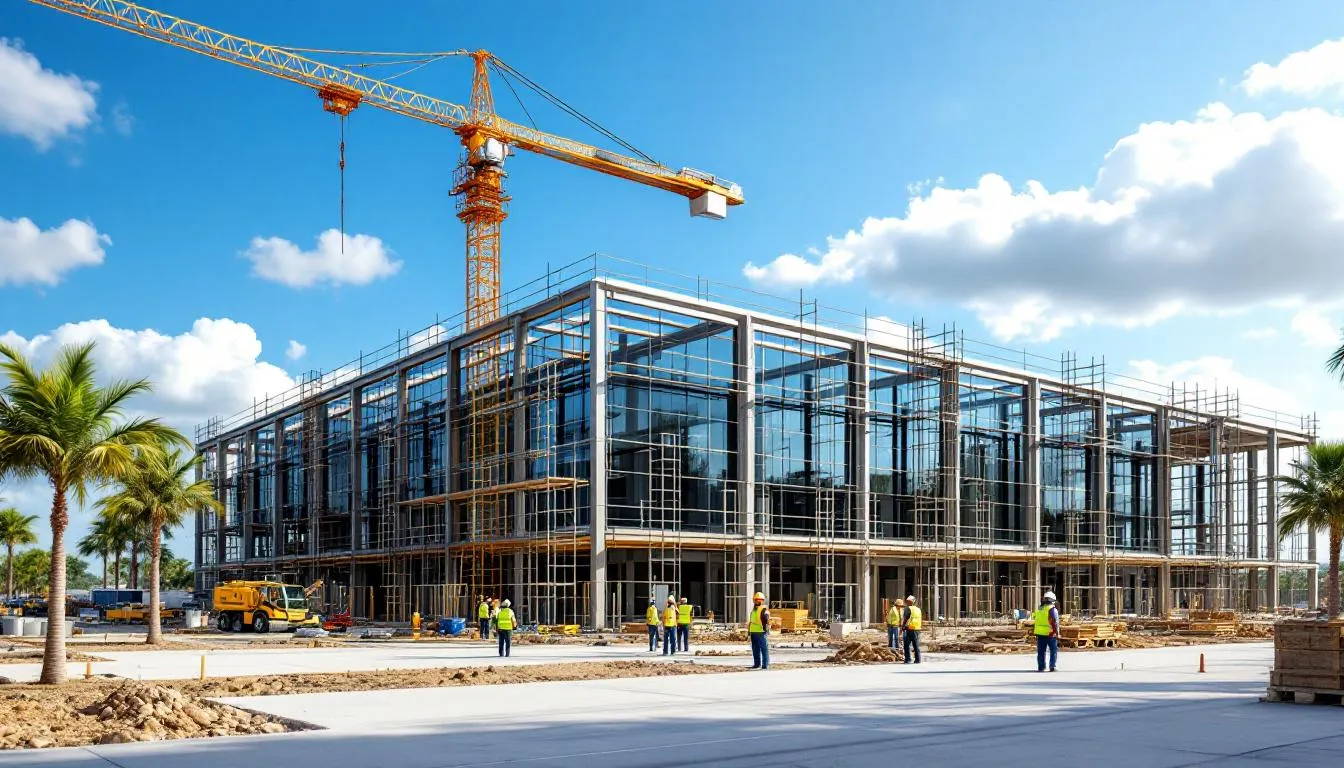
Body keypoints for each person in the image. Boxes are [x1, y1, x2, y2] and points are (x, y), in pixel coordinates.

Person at [1033, 591, 1060, 673]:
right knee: (1053, 651)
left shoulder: (1039, 609)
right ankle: (1052, 666)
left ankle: (1041, 667)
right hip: (1050, 633)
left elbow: (1035, 618)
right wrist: (1058, 633)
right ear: (1053, 600)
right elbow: (1055, 622)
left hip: (1040, 634)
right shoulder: (1052, 609)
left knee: (1041, 651)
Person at [748, 592, 771, 670]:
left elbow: (767, 620)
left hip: (761, 632)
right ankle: (757, 664)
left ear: (761, 600)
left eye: (758, 600)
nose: (756, 601)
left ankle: (765, 665)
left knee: (764, 649)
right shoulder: (754, 609)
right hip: (753, 632)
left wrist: (766, 629)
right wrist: (749, 631)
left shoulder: (764, 609)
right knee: (755, 649)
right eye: (755, 600)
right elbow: (751, 621)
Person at [902, 594, 922, 664]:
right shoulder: (918, 609)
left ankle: (908, 659)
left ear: (911, 602)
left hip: (910, 628)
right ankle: (918, 659)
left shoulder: (908, 608)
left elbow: (906, 618)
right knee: (916, 645)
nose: (906, 602)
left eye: (908, 601)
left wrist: (903, 626)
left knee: (906, 644)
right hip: (917, 629)